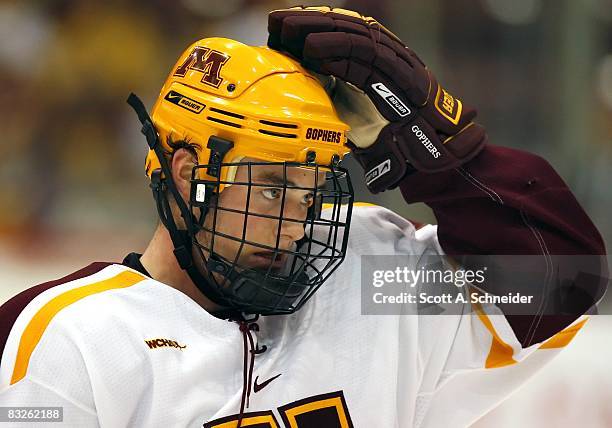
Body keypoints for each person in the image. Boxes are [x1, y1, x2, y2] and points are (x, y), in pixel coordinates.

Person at [0, 6, 607, 428]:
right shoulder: (68, 339)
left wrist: (434, 143)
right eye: (270, 188)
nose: (294, 224)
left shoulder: (365, 284)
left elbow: (565, 278)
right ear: (187, 174)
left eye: (311, 190)